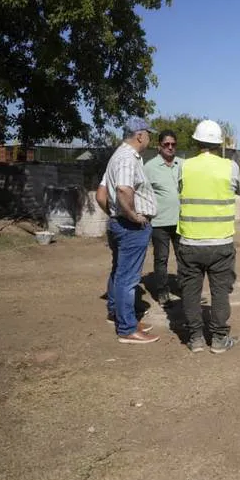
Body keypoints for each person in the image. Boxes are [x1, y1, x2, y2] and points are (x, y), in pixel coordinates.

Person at [177, 119, 240, 354]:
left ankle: (195, 339)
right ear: (218, 144)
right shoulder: (230, 167)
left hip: (190, 241)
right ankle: (218, 340)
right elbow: (237, 192)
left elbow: (180, 191)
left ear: (196, 142)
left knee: (191, 292)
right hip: (220, 243)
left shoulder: (183, 166)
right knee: (220, 292)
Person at [102, 117, 160, 344]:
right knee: (128, 278)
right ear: (139, 135)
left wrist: (115, 214)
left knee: (119, 272)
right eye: (148, 133)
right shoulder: (127, 158)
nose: (149, 137)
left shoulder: (117, 156)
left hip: (120, 223)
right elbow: (124, 189)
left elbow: (101, 193)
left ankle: (119, 315)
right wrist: (134, 215)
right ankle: (127, 329)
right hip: (131, 227)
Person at [144, 130, 183, 306]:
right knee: (161, 258)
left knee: (185, 257)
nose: (170, 147)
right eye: (166, 144)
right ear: (159, 146)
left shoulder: (183, 164)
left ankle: (186, 290)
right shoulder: (149, 168)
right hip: (159, 222)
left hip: (181, 221)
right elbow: (142, 193)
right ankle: (162, 292)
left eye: (173, 144)